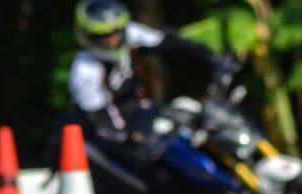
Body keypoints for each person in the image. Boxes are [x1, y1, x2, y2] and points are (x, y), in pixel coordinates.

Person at [69, 0, 224, 173]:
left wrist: (214, 59)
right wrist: (134, 139)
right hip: (121, 135)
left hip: (144, 112)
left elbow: (168, 42)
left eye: (116, 32)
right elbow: (101, 121)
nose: (113, 39)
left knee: (192, 113)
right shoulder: (84, 70)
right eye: (104, 35)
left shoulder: (129, 33)